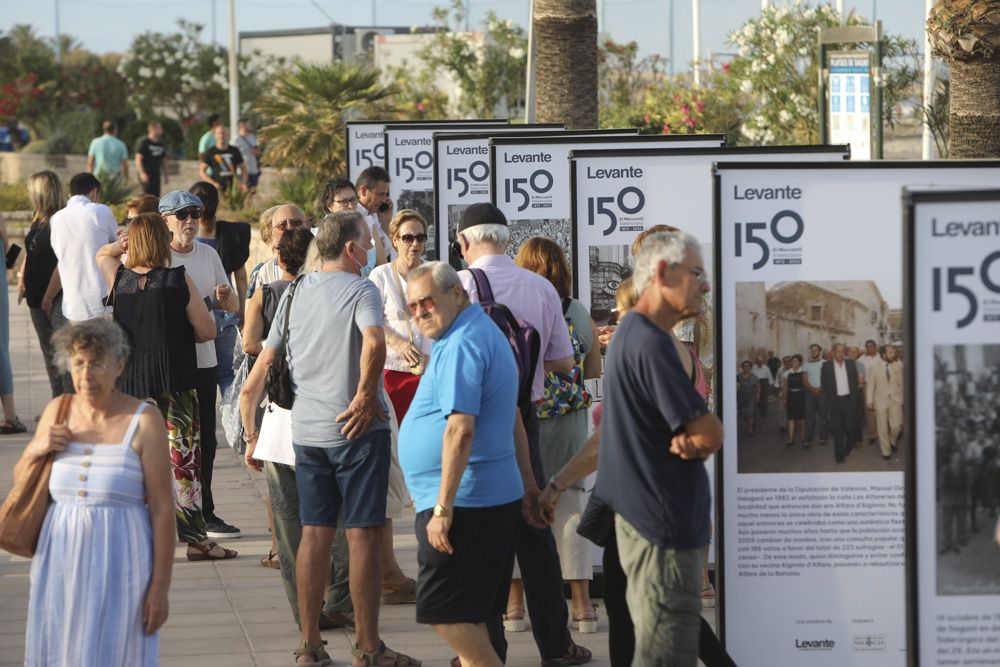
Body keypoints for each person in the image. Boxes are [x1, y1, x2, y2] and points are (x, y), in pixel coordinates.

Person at [241, 211, 419, 667]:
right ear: (350, 248)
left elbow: (267, 354)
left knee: (313, 535)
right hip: (358, 432)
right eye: (367, 244)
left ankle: (309, 643)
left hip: (309, 433)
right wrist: (364, 397)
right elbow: (376, 342)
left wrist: (250, 423)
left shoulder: (296, 290)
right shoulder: (361, 289)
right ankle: (367, 646)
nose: (370, 251)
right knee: (362, 536)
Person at [538, 276, 734, 667]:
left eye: (622, 312)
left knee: (640, 609)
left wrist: (556, 484)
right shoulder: (683, 356)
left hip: (641, 503)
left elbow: (603, 441)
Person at [454, 202, 590, 666]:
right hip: (525, 420)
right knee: (535, 532)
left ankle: (488, 650)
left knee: (481, 538)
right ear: (506, 240)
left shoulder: (459, 287)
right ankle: (557, 643)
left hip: (472, 424)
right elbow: (563, 364)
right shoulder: (541, 288)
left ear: (463, 242)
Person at [594, 230, 723, 666]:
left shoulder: (633, 335)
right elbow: (709, 433)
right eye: (697, 274)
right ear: (663, 273)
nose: (704, 285)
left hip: (651, 520)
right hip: (660, 525)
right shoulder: (651, 343)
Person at [22, 319, 175, 666]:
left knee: (115, 654)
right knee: (60, 652)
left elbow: (163, 509)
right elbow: (22, 481)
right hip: (58, 563)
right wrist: (38, 447)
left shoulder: (145, 419)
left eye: (97, 363)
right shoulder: (57, 410)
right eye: (78, 363)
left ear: (119, 365)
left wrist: (160, 588)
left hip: (122, 564)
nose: (87, 374)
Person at [398, 261, 523, 667]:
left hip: (466, 502)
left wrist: (442, 508)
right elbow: (514, 418)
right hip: (485, 497)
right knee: (473, 614)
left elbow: (460, 430)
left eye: (427, 301)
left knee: (440, 608)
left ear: (456, 293)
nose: (419, 312)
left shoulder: (463, 342)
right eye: (412, 306)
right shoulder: (475, 332)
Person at [95, 213, 232, 563]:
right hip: (175, 379)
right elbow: (208, 331)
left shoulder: (120, 280)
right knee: (183, 461)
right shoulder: (177, 279)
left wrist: (118, 246)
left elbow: (102, 256)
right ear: (160, 241)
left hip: (131, 386)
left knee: (135, 461)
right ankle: (197, 540)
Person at [513, 237, 602, 633]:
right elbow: (594, 369)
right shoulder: (578, 310)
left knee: (520, 507)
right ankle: (582, 607)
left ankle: (514, 606)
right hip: (568, 423)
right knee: (571, 510)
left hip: (525, 420)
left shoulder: (514, 310)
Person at [161, 190, 242, 539]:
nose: (190, 221)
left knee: (205, 440)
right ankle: (171, 513)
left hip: (204, 358)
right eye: (182, 215)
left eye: (195, 213)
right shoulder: (157, 257)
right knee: (172, 441)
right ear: (165, 219)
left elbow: (233, 305)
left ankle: (205, 512)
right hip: (169, 361)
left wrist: (227, 298)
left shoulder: (208, 254)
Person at [368, 208, 432, 605]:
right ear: (393, 240)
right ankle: (390, 568)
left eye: (420, 237)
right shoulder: (379, 277)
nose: (414, 244)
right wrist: (398, 341)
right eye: (407, 237)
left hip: (429, 377)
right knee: (393, 465)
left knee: (429, 464)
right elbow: (374, 321)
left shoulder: (434, 275)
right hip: (394, 377)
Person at [189, 181, 251, 396]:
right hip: (225, 310)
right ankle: (234, 424)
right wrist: (242, 309)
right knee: (225, 373)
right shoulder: (230, 233)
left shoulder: (187, 238)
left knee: (197, 373)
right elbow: (241, 276)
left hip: (195, 313)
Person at [19, 170, 68, 399]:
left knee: (62, 354)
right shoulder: (39, 219)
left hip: (55, 298)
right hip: (36, 298)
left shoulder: (61, 221)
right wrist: (21, 276)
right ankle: (57, 402)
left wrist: (48, 297)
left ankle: (67, 405)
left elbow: (62, 261)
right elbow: (31, 251)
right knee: (49, 355)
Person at [49, 172, 119, 322]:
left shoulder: (56, 219)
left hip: (72, 305)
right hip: (101, 302)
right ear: (94, 192)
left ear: (70, 194)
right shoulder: (100, 211)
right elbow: (121, 246)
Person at [821, 343, 861, 464]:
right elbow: (824, 385)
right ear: (833, 352)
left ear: (845, 352)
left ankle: (849, 446)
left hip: (848, 400)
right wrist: (828, 403)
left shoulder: (850, 364)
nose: (840, 354)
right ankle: (839, 456)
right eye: (838, 351)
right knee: (837, 430)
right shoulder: (826, 366)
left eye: (842, 351)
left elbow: (855, 383)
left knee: (850, 427)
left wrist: (855, 401)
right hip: (835, 402)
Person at [866, 344, 903, 462]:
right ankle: (886, 451)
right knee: (882, 427)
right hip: (880, 401)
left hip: (895, 401)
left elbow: (902, 384)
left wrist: (902, 399)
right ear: (883, 354)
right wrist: (869, 400)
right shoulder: (874, 367)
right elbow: (871, 384)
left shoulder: (898, 365)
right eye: (891, 352)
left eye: (894, 352)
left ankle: (893, 440)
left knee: (896, 426)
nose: (894, 354)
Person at [355, 166, 394, 273]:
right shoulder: (350, 217)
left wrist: (385, 221)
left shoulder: (374, 215)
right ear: (363, 191)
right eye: (380, 194)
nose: (384, 200)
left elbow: (385, 252)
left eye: (386, 195)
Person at [199, 124, 247, 192]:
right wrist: (213, 183)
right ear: (215, 135)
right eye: (219, 133)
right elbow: (202, 171)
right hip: (218, 190)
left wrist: (243, 183)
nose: (221, 136)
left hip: (234, 191)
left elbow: (244, 169)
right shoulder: (211, 152)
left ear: (227, 135)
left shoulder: (234, 150)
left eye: (224, 133)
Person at [134, 121, 168, 197]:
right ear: (154, 129)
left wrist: (166, 175)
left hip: (156, 175)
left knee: (155, 197)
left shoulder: (161, 144)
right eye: (160, 128)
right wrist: (142, 173)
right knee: (146, 197)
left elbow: (163, 161)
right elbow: (138, 159)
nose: (162, 130)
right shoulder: (144, 142)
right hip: (146, 174)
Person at [802, 343, 827, 447]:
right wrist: (812, 389)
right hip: (810, 392)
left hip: (822, 391)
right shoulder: (806, 364)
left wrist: (820, 388)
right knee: (809, 416)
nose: (814, 352)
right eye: (812, 350)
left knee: (823, 415)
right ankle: (808, 439)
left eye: (816, 350)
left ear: (819, 351)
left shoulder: (825, 363)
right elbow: (804, 379)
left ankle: (823, 437)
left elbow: (827, 378)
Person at [860, 339, 882, 445]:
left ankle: (882, 432)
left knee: (881, 408)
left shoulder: (881, 357)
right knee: (869, 409)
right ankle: (872, 434)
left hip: (881, 385)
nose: (870, 348)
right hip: (868, 385)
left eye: (871, 346)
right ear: (865, 347)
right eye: (867, 346)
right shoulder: (861, 359)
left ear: (875, 347)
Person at [783, 354, 807, 448]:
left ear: (800, 362)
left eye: (796, 361)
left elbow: (805, 384)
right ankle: (791, 437)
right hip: (791, 396)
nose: (794, 363)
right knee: (791, 417)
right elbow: (785, 386)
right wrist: (785, 398)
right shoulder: (787, 373)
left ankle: (803, 435)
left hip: (801, 395)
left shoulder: (804, 371)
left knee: (802, 417)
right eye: (793, 361)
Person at [233, 117, 262, 190]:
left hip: (253, 170)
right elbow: (232, 156)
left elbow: (258, 152)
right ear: (242, 125)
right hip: (241, 172)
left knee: (251, 193)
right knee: (242, 193)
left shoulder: (252, 137)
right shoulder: (236, 140)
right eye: (249, 124)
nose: (251, 125)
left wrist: (255, 151)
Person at [736, 361, 758, 437]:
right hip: (741, 397)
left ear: (750, 367)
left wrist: (758, 395)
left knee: (750, 413)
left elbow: (758, 386)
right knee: (742, 413)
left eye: (748, 366)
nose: (746, 367)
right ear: (742, 367)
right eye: (744, 366)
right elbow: (737, 386)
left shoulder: (754, 376)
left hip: (751, 397)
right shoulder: (738, 376)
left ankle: (750, 430)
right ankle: (750, 421)